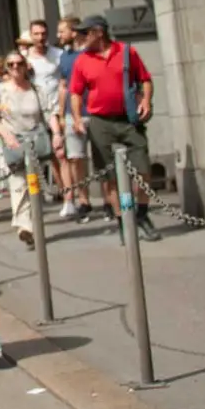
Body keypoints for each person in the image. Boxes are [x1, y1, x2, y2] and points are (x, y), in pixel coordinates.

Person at [68, 15, 160, 241]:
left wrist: (146, 101)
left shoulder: (126, 52)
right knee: (109, 176)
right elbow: (76, 93)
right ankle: (122, 220)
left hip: (128, 119)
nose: (80, 38)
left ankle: (141, 214)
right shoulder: (82, 60)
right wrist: (78, 118)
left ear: (99, 32)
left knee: (143, 169)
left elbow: (146, 79)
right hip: (100, 122)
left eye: (84, 33)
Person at [0, 53, 50, 248]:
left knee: (35, 185)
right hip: (13, 141)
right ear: (6, 67)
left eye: (19, 63)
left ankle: (32, 225)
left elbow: (47, 115)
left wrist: (56, 135)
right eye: (11, 64)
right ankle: (24, 226)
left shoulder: (36, 90)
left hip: (35, 140)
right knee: (18, 182)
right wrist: (6, 136)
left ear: (25, 66)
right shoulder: (0, 90)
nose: (15, 67)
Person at [54, 17, 92, 218]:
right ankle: (84, 200)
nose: (58, 35)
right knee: (75, 158)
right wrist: (61, 114)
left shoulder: (89, 53)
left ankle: (114, 203)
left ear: (74, 31)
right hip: (71, 113)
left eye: (62, 31)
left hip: (93, 110)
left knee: (106, 159)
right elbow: (62, 86)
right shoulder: (64, 57)